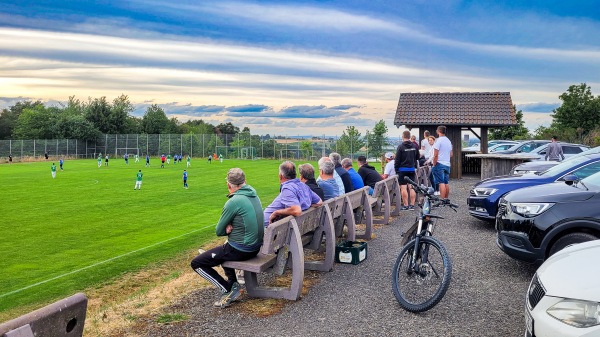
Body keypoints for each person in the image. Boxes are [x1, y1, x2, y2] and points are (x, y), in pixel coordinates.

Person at [190, 168, 263, 308]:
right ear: (245, 182)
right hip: (255, 247)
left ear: (229, 185)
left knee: (197, 263)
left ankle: (228, 289)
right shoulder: (253, 194)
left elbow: (219, 230)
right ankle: (232, 283)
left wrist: (227, 228)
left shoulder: (234, 201)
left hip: (242, 249)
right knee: (223, 250)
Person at [263, 161, 322, 226]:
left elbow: (296, 211)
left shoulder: (287, 188)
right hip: (281, 227)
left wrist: (276, 212)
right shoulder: (303, 185)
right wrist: (304, 205)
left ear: (281, 176)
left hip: (268, 229)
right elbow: (319, 202)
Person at [395, 130, 420, 211]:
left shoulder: (400, 147)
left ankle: (406, 205)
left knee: (403, 188)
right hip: (411, 169)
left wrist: (396, 170)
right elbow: (417, 157)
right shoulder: (414, 146)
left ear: (403, 136)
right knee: (411, 187)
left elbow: (397, 160)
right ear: (409, 137)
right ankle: (412, 205)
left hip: (402, 170)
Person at [432, 125, 453, 199]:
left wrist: (434, 163)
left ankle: (442, 200)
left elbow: (435, 154)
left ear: (438, 131)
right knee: (446, 182)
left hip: (440, 163)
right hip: (447, 164)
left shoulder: (438, 141)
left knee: (441, 183)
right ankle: (446, 199)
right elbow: (451, 154)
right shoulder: (448, 141)